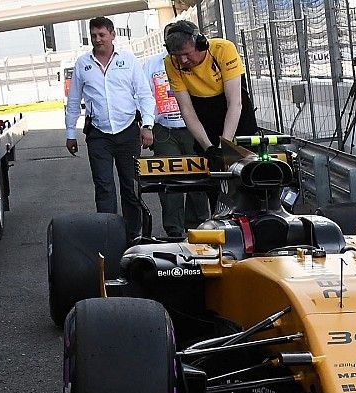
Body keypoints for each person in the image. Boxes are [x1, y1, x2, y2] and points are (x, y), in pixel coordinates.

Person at [65, 16, 155, 242]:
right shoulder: (82, 64)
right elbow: (74, 100)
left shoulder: (128, 60)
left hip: (127, 133)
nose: (97, 40)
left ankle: (134, 235)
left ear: (113, 35)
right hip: (98, 134)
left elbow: (145, 94)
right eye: (93, 35)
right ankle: (109, 236)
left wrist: (147, 125)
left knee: (131, 187)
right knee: (104, 187)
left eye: (102, 35)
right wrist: (70, 133)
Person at [163, 21, 258, 176]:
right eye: (178, 56)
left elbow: (235, 103)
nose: (183, 61)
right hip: (204, 114)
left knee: (247, 175)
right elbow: (186, 110)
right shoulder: (171, 63)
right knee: (211, 177)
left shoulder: (223, 49)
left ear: (201, 44)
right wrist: (209, 148)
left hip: (235, 114)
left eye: (187, 54)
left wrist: (224, 147)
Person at [143, 23, 210, 238]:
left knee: (197, 177)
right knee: (170, 178)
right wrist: (148, 125)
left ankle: (198, 225)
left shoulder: (193, 60)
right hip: (165, 129)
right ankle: (174, 229)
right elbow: (145, 96)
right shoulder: (152, 64)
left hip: (193, 128)